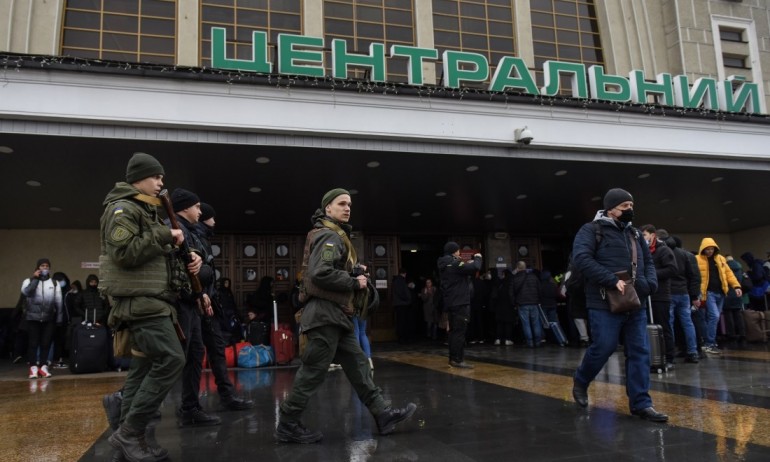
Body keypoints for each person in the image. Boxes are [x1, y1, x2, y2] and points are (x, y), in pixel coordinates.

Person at [275, 188, 416, 444]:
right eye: (341, 203)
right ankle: (287, 423)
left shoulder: (334, 235)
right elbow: (320, 273)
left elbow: (327, 270)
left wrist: (352, 270)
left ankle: (382, 414)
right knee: (313, 371)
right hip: (324, 314)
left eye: (349, 204)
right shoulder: (330, 236)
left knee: (359, 364)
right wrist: (354, 281)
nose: (347, 208)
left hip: (336, 315)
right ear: (328, 208)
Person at [99, 152, 191, 461]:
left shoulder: (145, 211)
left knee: (144, 367)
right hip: (141, 304)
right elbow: (124, 253)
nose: (161, 182)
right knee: (171, 358)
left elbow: (154, 255)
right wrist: (166, 234)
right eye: (156, 177)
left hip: (153, 301)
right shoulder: (123, 208)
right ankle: (129, 433)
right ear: (138, 178)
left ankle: (130, 435)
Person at [571, 188, 667, 422]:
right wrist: (611, 280)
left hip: (635, 301)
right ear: (611, 208)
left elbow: (648, 263)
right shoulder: (591, 230)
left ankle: (641, 404)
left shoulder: (634, 233)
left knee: (640, 352)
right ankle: (581, 381)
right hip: (603, 301)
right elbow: (582, 259)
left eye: (632, 206)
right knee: (604, 346)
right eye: (625, 207)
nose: (630, 210)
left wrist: (650, 284)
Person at [167, 189, 222, 426]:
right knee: (173, 357)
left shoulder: (190, 232)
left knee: (194, 354)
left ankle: (190, 406)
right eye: (197, 206)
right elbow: (189, 269)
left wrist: (202, 293)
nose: (200, 211)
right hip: (179, 302)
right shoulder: (174, 229)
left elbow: (201, 268)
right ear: (184, 208)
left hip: (192, 300)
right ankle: (127, 400)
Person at [193, 201, 254, 411]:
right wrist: (200, 294)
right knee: (184, 355)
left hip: (208, 304)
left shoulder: (203, 238)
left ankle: (226, 396)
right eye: (211, 217)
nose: (214, 221)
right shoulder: (193, 235)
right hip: (197, 304)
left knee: (217, 349)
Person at [437, 241, 483, 368]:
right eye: (458, 250)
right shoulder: (455, 263)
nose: (459, 253)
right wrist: (478, 257)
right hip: (460, 302)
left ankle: (453, 358)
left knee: (453, 332)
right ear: (453, 251)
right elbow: (476, 267)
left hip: (451, 302)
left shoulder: (445, 264)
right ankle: (458, 359)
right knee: (459, 332)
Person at [639, 225, 678, 368]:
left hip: (661, 295)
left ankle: (668, 357)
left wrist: (651, 274)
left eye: (644, 235)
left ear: (652, 235)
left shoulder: (663, 250)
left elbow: (672, 269)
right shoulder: (644, 252)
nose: (643, 238)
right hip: (647, 295)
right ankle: (652, 355)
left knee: (663, 326)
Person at [695, 237, 742, 355]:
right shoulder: (697, 259)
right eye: (707, 249)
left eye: (711, 249)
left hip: (720, 292)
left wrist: (736, 286)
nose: (709, 251)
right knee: (714, 316)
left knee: (712, 318)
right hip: (708, 292)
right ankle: (710, 343)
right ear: (703, 249)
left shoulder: (720, 259)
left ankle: (708, 342)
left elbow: (728, 273)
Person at [21, 258, 62, 379]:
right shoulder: (28, 281)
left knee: (46, 343)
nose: (44, 268)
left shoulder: (54, 283)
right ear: (38, 267)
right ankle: (33, 367)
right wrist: (35, 279)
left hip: (49, 318)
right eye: (42, 266)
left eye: (47, 266)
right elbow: (26, 293)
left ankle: (44, 366)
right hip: (32, 318)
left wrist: (59, 318)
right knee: (33, 343)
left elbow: (58, 302)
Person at [663, 233, 701, 363]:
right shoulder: (686, 255)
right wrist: (694, 295)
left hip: (669, 292)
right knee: (688, 323)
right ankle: (693, 352)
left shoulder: (664, 252)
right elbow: (693, 275)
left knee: (670, 324)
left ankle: (670, 353)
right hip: (684, 292)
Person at [512, 261, 542, 348]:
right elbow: (539, 289)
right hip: (534, 302)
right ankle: (538, 341)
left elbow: (512, 292)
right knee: (536, 323)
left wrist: (514, 302)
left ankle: (530, 342)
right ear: (525, 267)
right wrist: (539, 300)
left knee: (526, 324)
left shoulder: (515, 278)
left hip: (522, 304)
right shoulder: (534, 277)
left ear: (517, 268)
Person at [491, 269, 516, 346]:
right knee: (508, 323)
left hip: (499, 307)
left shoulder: (500, 283)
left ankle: (498, 339)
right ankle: (507, 339)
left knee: (500, 324)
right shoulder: (511, 283)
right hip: (508, 306)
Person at [392, 268, 412, 343]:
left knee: (400, 321)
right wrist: (408, 299)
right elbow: (401, 292)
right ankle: (402, 338)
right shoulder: (400, 281)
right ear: (404, 273)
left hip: (399, 304)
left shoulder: (396, 281)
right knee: (402, 322)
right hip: (402, 304)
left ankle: (401, 337)